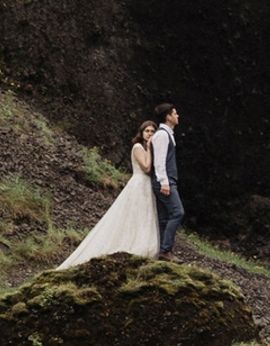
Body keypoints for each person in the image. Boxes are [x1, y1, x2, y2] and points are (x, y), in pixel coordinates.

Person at [56, 120, 161, 266]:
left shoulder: (148, 147)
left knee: (145, 215)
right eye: (147, 131)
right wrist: (149, 149)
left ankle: (143, 246)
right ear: (141, 133)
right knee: (134, 215)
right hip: (139, 184)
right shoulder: (138, 147)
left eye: (152, 131)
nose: (150, 134)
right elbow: (146, 167)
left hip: (147, 186)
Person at [151, 102, 185, 257]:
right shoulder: (162, 135)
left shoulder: (167, 134)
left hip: (166, 180)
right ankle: (165, 250)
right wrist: (164, 182)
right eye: (175, 113)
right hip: (164, 181)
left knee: (164, 217)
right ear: (168, 116)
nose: (177, 116)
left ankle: (162, 249)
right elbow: (159, 161)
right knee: (177, 212)